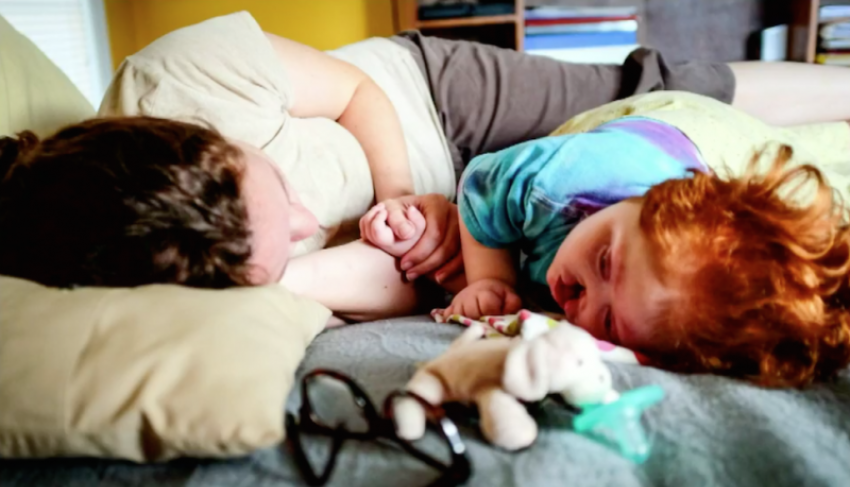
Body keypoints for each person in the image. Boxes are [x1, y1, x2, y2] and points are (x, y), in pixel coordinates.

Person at [2, 11, 850, 321]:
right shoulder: (181, 271)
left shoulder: (182, 75)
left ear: (208, 142)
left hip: (429, 105)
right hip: (440, 216)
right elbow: (406, 282)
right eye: (279, 252)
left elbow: (357, 95)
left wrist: (403, 193)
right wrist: (422, 241)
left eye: (282, 194)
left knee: (659, 86)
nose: (305, 228)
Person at [360, 90, 850, 386]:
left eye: (610, 320)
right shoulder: (560, 182)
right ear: (636, 203)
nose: (579, 298)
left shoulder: (665, 313)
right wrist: (490, 279)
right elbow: (483, 182)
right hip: (671, 121)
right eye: (604, 262)